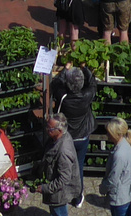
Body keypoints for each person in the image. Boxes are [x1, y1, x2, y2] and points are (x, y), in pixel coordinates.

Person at [49, 64, 97, 205]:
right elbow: (93, 84)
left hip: (67, 138)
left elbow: (55, 83)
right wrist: (85, 68)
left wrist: (65, 69)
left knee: (63, 166)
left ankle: (62, 194)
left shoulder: (63, 96)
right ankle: (77, 197)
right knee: (79, 167)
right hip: (82, 136)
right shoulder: (87, 95)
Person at [40, 113, 80, 216]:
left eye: (50, 128)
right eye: (47, 126)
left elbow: (64, 178)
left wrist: (45, 188)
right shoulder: (57, 138)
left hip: (59, 195)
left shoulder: (63, 151)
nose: (47, 130)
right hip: (55, 192)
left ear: (60, 131)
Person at [103, 117, 131, 216]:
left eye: (109, 132)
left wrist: (103, 188)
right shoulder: (126, 145)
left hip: (119, 196)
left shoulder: (119, 154)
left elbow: (113, 178)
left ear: (115, 134)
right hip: (126, 193)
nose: (107, 135)